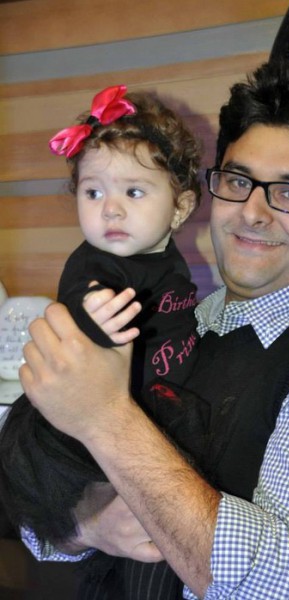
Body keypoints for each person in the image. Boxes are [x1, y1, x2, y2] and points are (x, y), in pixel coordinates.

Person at [18, 60, 289, 599]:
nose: (253, 213)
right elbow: (40, 523)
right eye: (238, 181)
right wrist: (87, 528)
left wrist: (106, 419)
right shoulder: (182, 320)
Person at [0, 85, 210, 599]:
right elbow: (83, 299)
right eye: (92, 193)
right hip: (86, 433)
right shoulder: (96, 267)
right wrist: (92, 312)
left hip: (149, 412)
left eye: (133, 193)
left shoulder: (167, 261)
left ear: (180, 208)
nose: (110, 210)